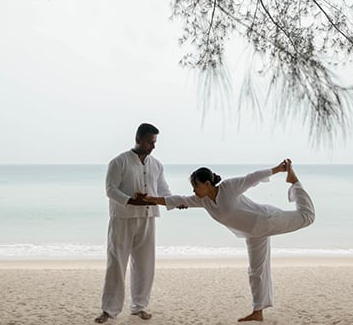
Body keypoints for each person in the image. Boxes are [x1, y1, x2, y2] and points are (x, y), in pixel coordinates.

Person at [140, 158, 315, 322]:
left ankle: (294, 182)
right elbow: (179, 199)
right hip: (252, 233)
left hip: (267, 220)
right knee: (256, 271)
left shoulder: (228, 187)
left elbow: (251, 178)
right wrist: (150, 199)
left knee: (307, 217)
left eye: (196, 186)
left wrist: (277, 169)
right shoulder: (204, 201)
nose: (193, 191)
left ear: (207, 184)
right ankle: (258, 311)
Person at [95, 123, 173, 323]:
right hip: (122, 219)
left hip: (148, 218)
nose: (153, 146)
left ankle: (139, 307)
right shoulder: (119, 162)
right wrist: (131, 201)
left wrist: (176, 202)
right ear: (138, 139)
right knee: (116, 264)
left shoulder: (157, 165)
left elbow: (163, 190)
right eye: (149, 142)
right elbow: (110, 190)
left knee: (145, 266)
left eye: (154, 142)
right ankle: (109, 310)